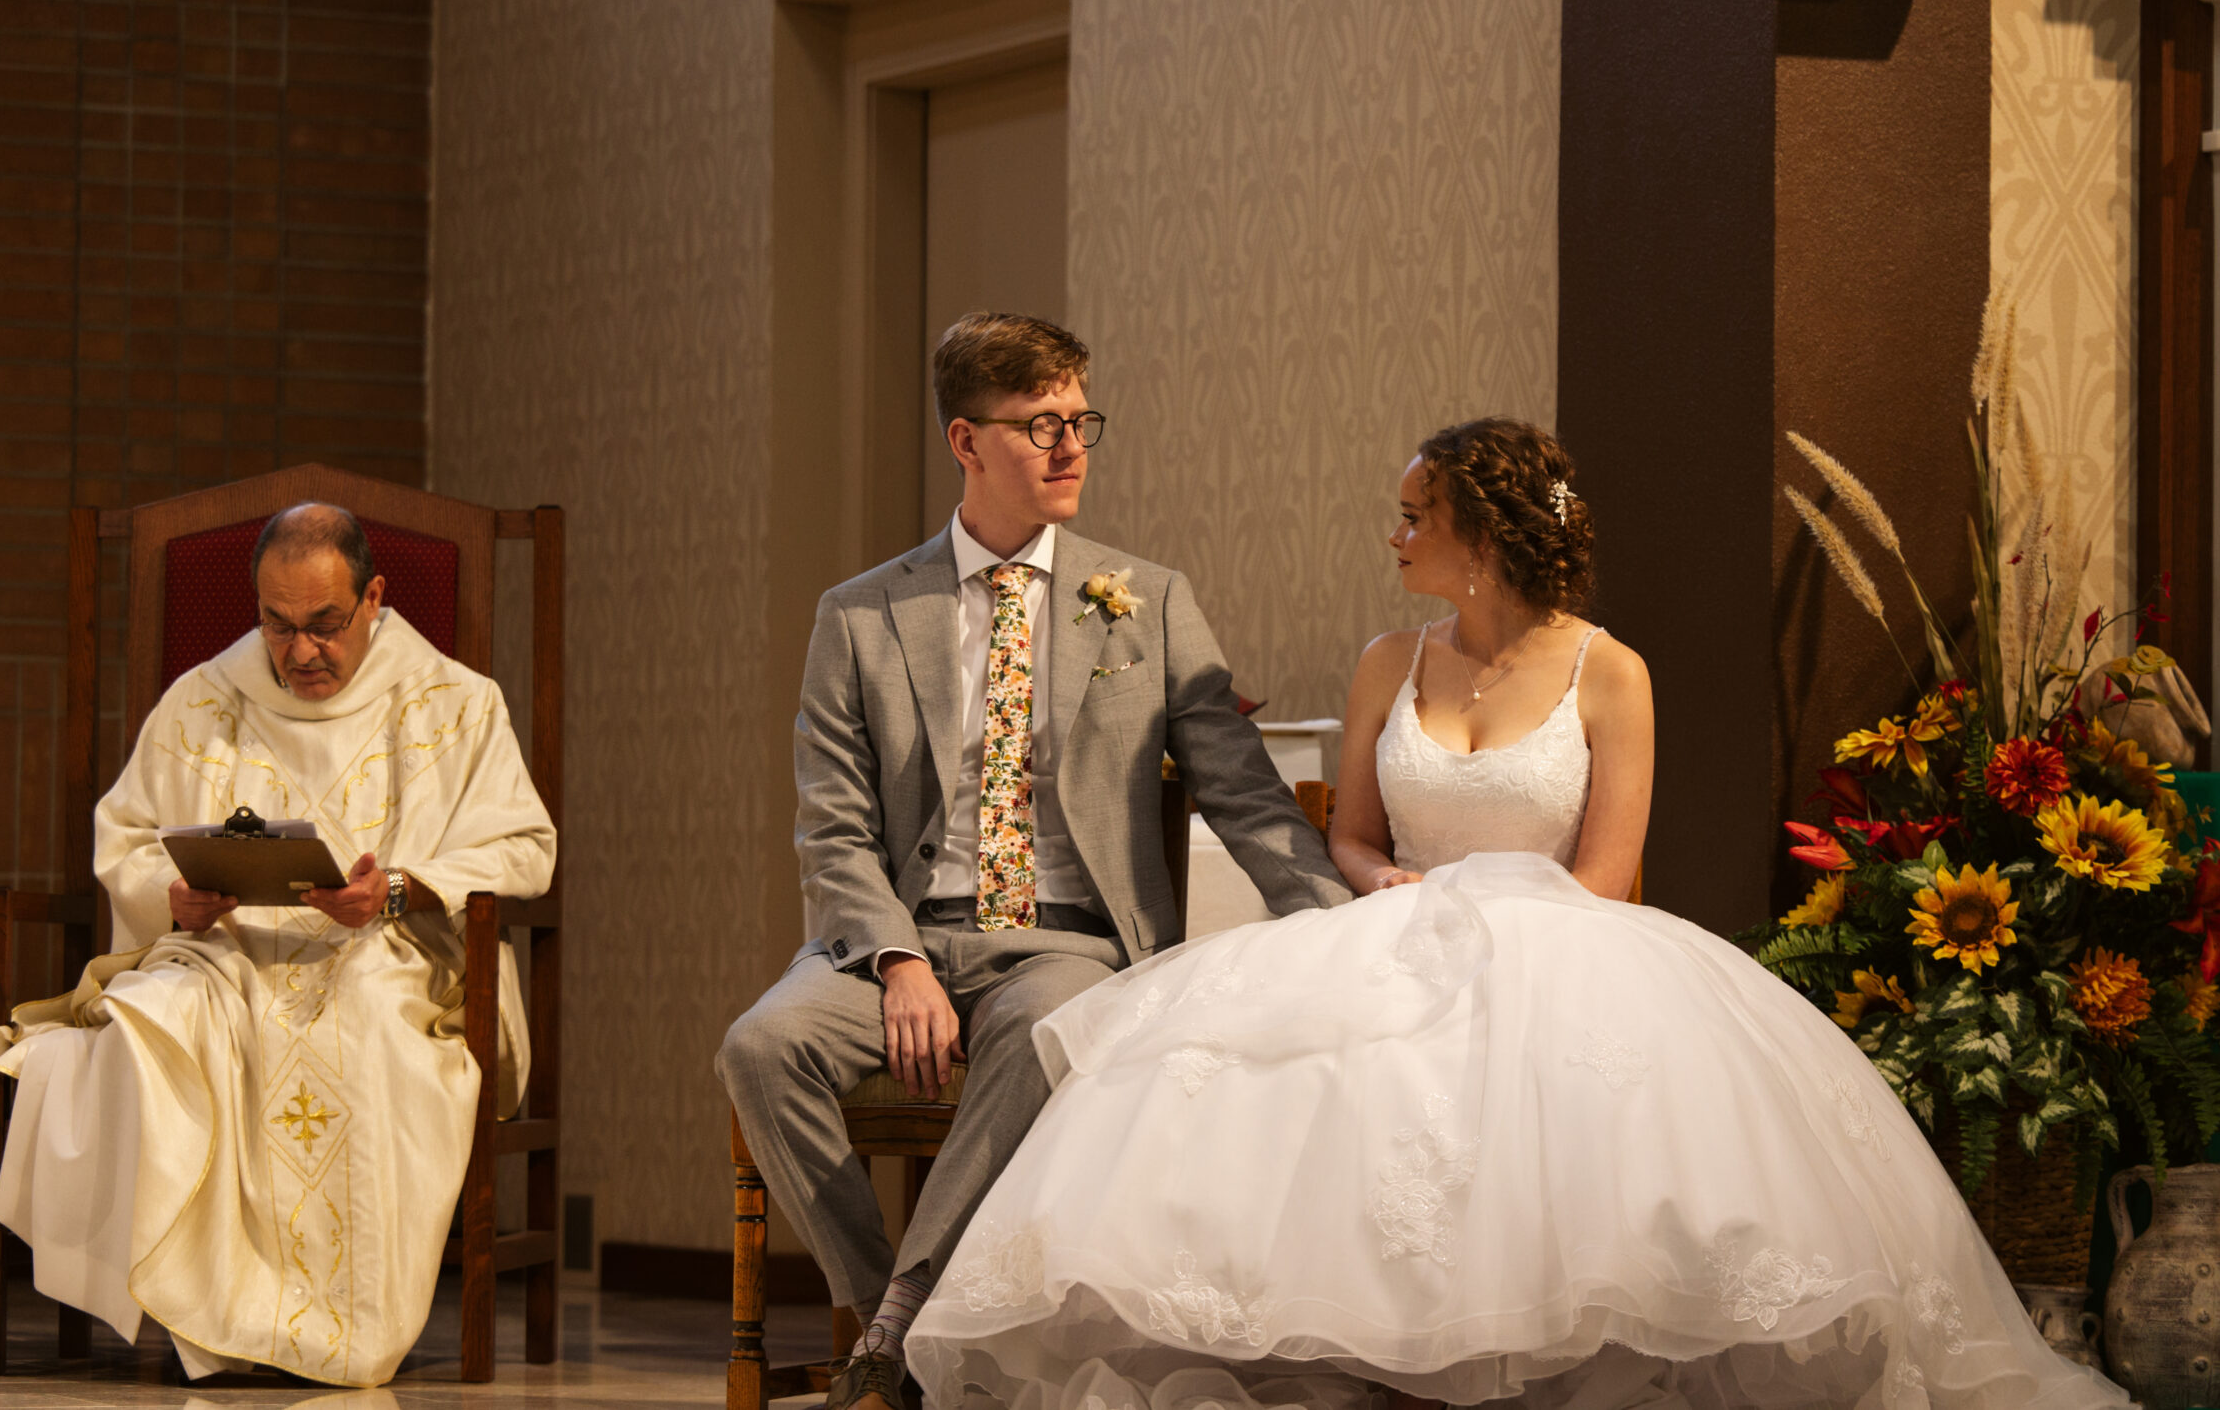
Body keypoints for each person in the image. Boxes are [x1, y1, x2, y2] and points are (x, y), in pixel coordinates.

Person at [907, 418, 2130, 1410]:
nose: (1393, 536)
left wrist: (1493, 927)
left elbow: (1610, 872)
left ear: (1478, 536)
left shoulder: (1610, 670)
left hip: (1562, 943)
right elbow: (1351, 834)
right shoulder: (1391, 658)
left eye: (1412, 517)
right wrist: (1375, 881)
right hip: (1390, 928)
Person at [717, 312, 1352, 1410]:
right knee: (761, 1047)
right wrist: (897, 963)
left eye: (1080, 421)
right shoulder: (861, 615)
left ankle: (898, 1331)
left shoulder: (1145, 598)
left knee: (1039, 1031)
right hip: (902, 936)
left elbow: (1242, 790)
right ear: (965, 442)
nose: (1070, 449)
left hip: (1067, 939)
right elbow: (832, 825)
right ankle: (890, 1325)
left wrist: (1339, 921)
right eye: (1039, 426)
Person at [0, 504, 556, 1386]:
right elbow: (127, 835)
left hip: (386, 957)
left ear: (373, 598)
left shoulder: (455, 703)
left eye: (325, 624)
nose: (300, 652)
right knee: (152, 1016)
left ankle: (334, 1335)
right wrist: (173, 895)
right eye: (277, 625)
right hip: (227, 954)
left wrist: (395, 887)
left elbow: (525, 848)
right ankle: (210, 1319)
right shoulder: (204, 700)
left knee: (358, 1021)